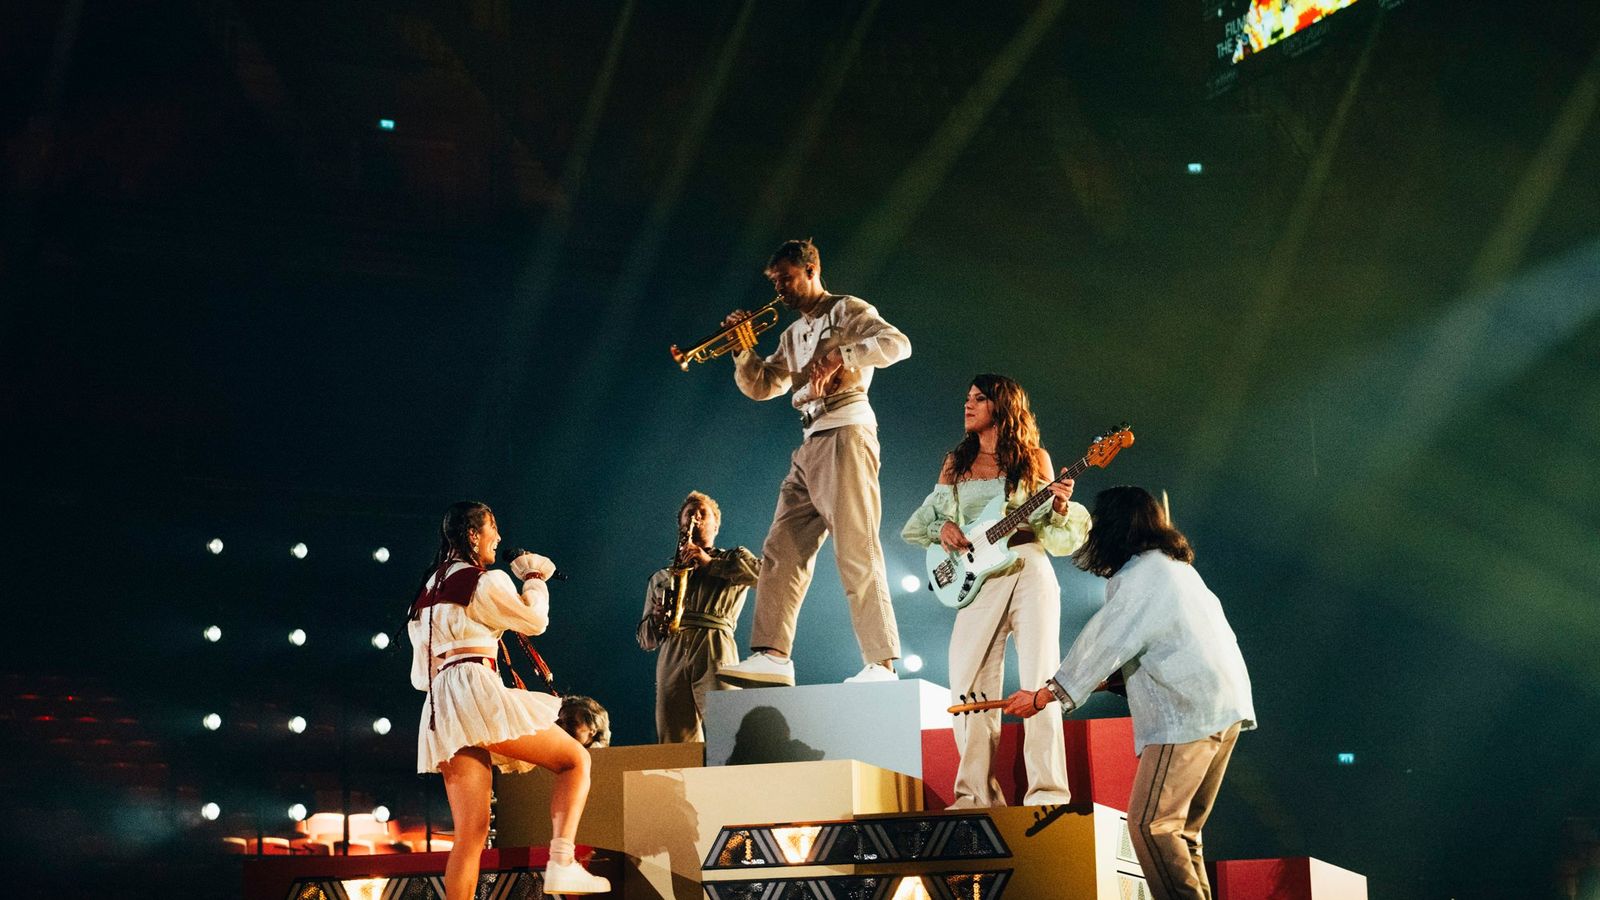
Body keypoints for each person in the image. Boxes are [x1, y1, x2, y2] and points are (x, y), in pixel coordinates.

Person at [1003, 486, 1256, 900]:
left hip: (1187, 712)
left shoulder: (1140, 576)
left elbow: (1105, 640)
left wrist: (1045, 695)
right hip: (1223, 708)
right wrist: (1111, 681)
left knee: (1150, 825)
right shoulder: (1177, 570)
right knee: (1182, 833)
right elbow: (1167, 642)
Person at [717, 238, 911, 686]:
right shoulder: (790, 334)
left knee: (856, 546)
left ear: (811, 270)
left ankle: (882, 663)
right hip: (809, 440)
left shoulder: (846, 309)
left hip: (846, 430)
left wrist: (842, 354)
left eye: (786, 279)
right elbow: (764, 386)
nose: (779, 289)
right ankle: (772, 656)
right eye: (775, 282)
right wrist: (742, 350)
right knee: (781, 550)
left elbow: (897, 344)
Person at [901, 374, 1090, 808]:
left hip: (1028, 567)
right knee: (969, 684)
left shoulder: (1035, 459)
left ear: (1002, 406)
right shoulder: (955, 463)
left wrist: (1060, 504)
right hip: (977, 579)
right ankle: (975, 795)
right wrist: (942, 528)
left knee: (1042, 678)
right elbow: (923, 523)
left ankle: (1047, 794)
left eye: (979, 399)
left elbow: (1051, 532)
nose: (967, 405)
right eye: (967, 398)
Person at [408, 501, 609, 897]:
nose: (498, 538)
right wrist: (534, 576)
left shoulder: (426, 592)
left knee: (471, 832)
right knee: (575, 760)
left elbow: (420, 675)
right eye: (493, 528)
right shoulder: (482, 581)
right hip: (473, 686)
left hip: (441, 702)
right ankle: (562, 862)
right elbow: (534, 621)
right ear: (473, 534)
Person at [637, 491, 759, 741]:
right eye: (689, 513)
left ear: (716, 525)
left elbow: (762, 575)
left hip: (715, 644)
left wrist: (709, 562)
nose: (695, 516)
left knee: (729, 727)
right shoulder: (661, 577)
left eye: (703, 513)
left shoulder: (734, 557)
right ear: (681, 525)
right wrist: (656, 621)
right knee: (674, 737)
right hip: (672, 651)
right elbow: (645, 641)